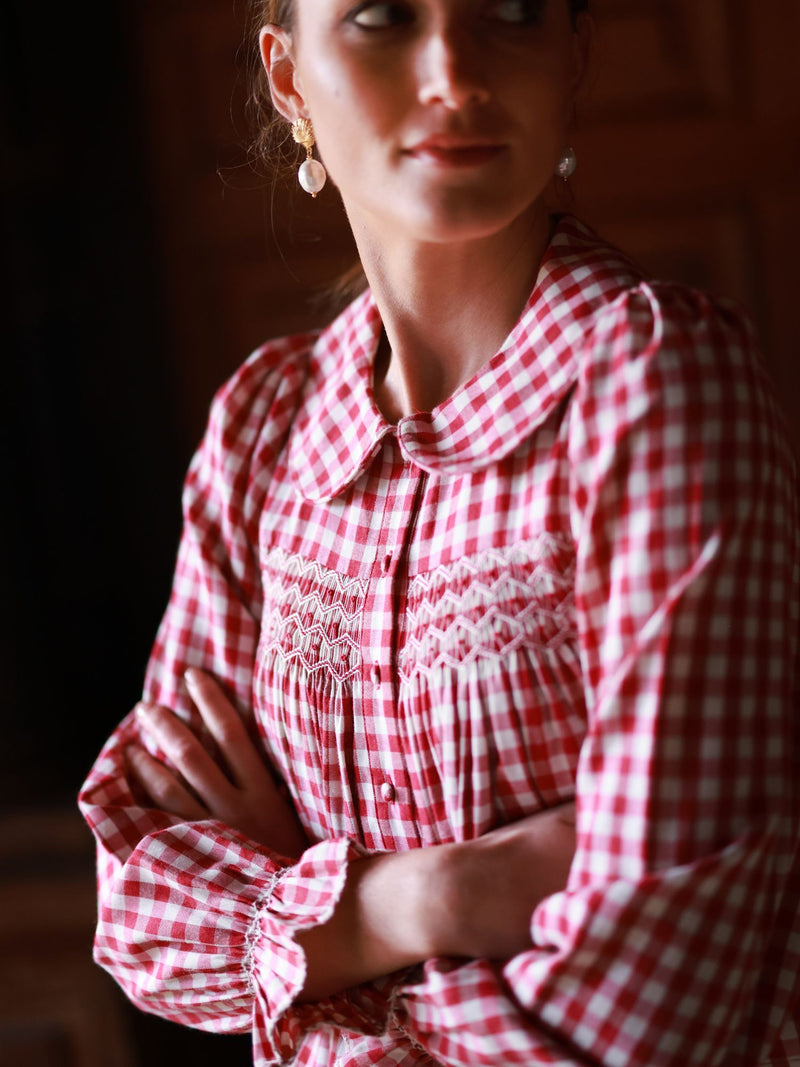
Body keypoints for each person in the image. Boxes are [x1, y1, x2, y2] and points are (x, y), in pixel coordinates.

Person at [78, 0, 800, 1063]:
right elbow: (142, 913)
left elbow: (653, 1007)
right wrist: (423, 896)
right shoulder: (262, 428)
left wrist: (296, 923)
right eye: (380, 16)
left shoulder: (651, 382)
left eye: (509, 13)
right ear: (288, 81)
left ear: (572, 56)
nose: (453, 72)